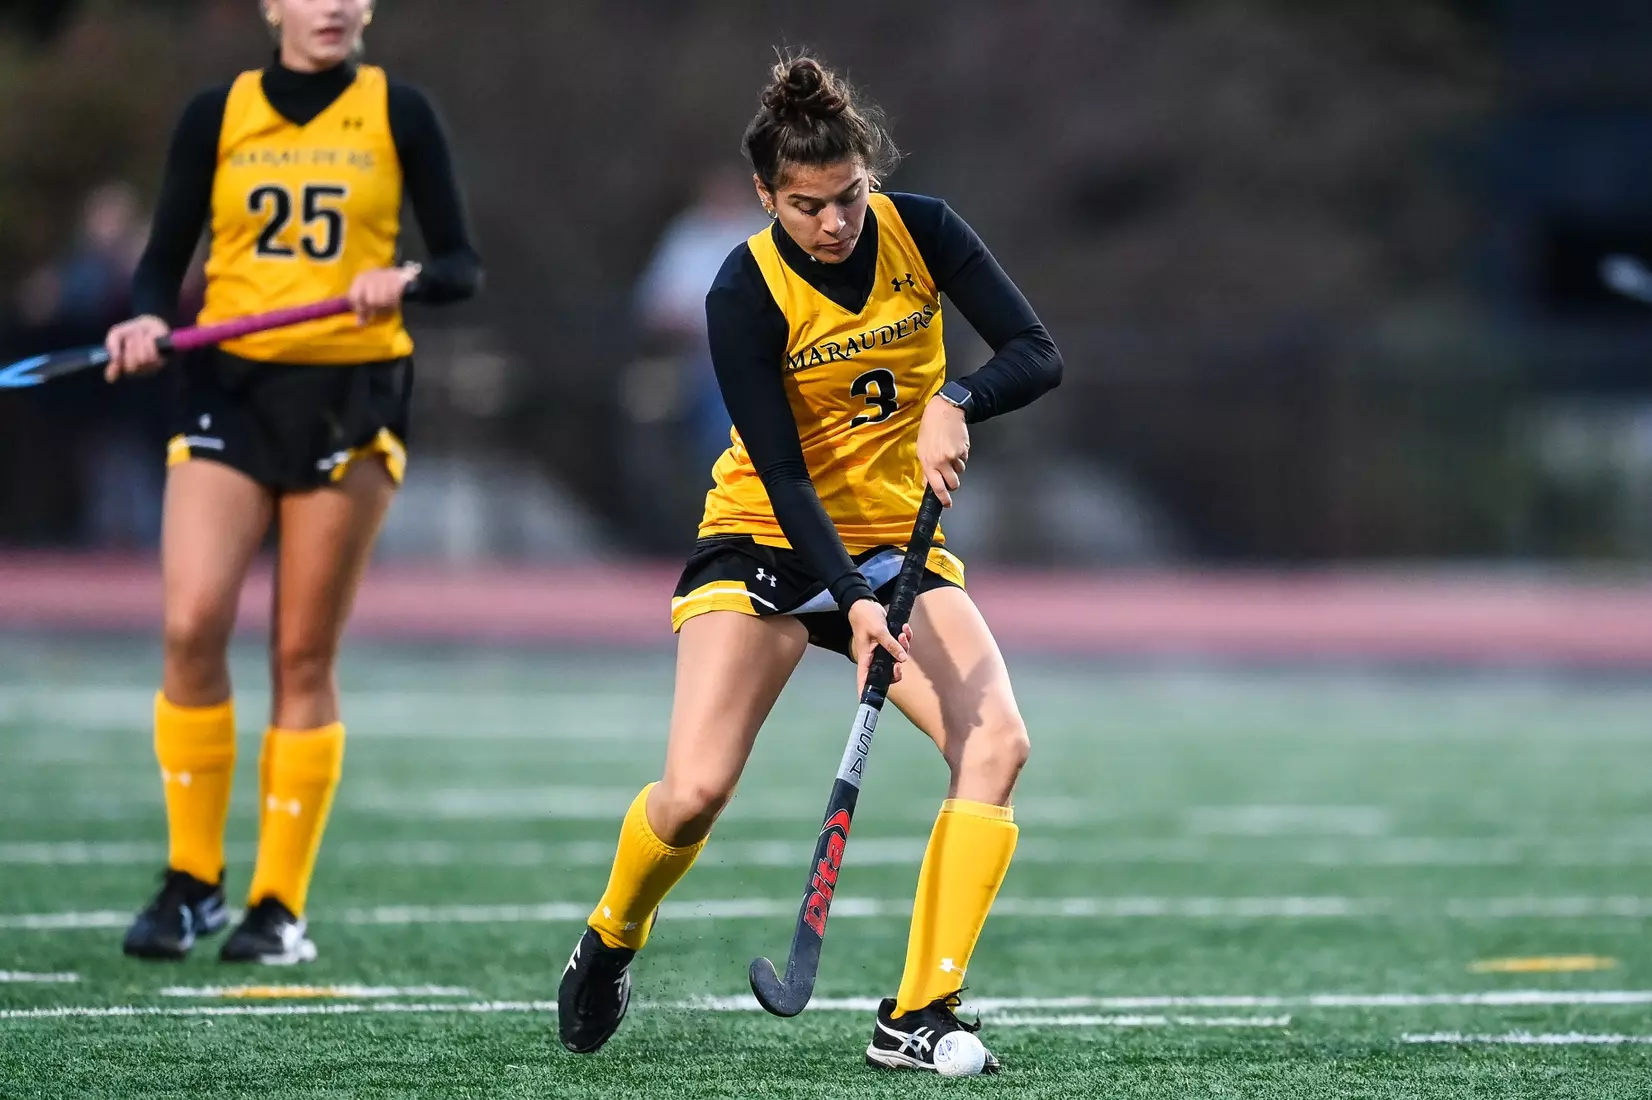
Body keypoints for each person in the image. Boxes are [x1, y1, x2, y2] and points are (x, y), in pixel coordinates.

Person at [557, 54, 1062, 1072]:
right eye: (806, 206)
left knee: (995, 743)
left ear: (868, 172)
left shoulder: (922, 229)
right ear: (763, 195)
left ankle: (917, 1010)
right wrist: (849, 601)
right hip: (763, 538)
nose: (833, 223)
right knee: (693, 791)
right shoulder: (742, 288)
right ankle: (612, 932)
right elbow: (782, 471)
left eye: (846, 197)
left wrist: (955, 400)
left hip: (892, 544)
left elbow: (1033, 349)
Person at [103, 0, 480, 965]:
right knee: (191, 624)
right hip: (229, 390)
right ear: (272, 6)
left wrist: (403, 280)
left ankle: (279, 906)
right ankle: (192, 882)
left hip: (350, 395)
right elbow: (159, 264)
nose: (333, 7)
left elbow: (462, 266)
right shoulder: (217, 113)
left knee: (300, 653)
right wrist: (143, 323)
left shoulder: (402, 111)